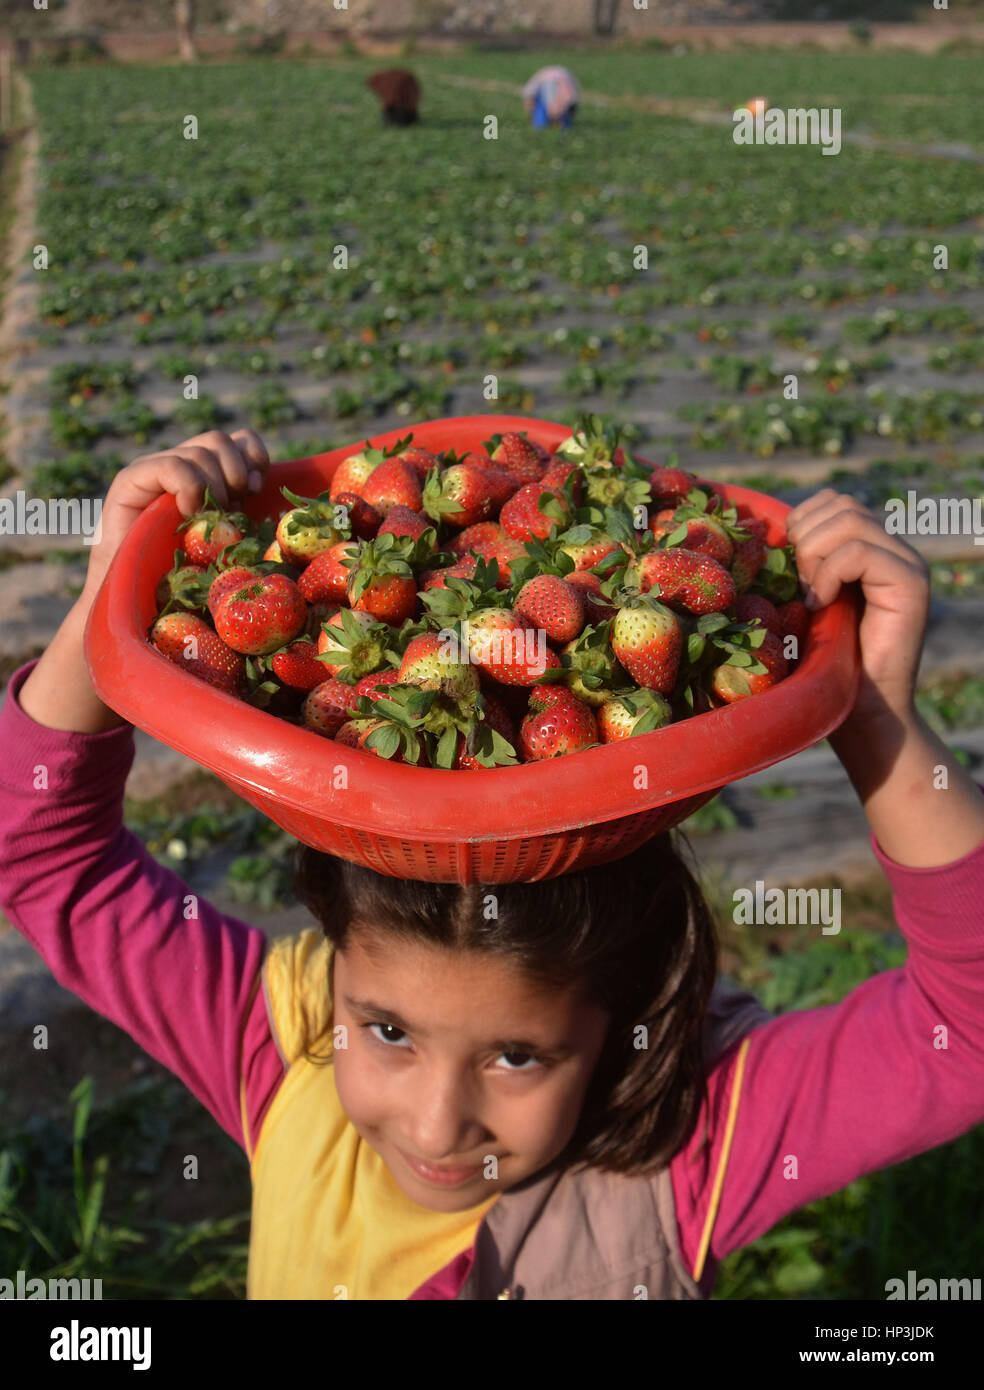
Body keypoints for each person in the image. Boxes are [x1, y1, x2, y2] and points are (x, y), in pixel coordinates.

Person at [2, 428, 983, 1299]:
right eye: (385, 1031)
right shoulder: (282, 1050)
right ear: (330, 972)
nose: (436, 1127)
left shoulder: (691, 1148)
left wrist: (872, 711)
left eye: (518, 1056)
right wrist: (110, 602)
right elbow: (45, 860)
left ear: (622, 1023)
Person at [523, 65, 580, 130]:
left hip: (548, 82)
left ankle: (546, 123)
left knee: (541, 120)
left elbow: (529, 99)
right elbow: (573, 99)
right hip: (564, 81)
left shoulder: (540, 78)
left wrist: (530, 115)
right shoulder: (566, 75)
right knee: (562, 108)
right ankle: (562, 122)